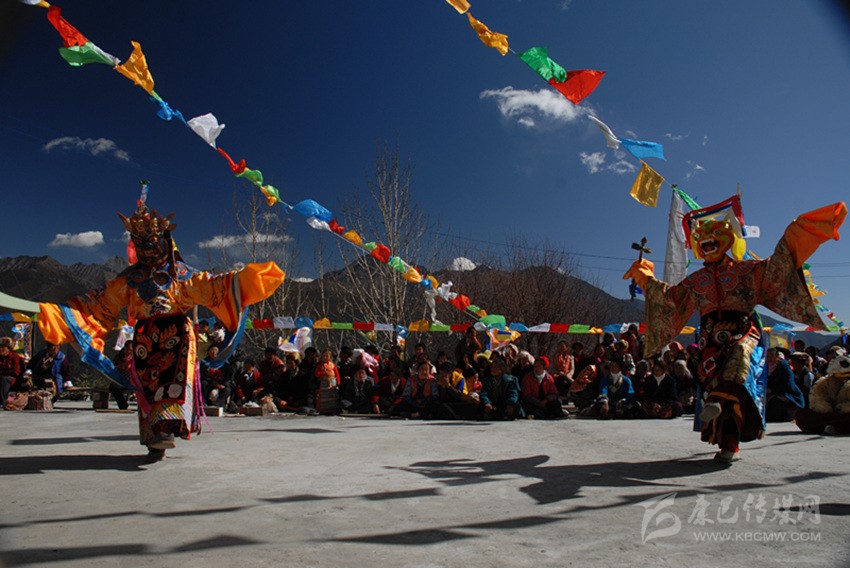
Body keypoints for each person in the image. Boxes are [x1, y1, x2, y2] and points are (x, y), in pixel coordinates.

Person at [36, 197, 284, 461]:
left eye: (152, 242)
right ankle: (154, 439)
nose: (148, 249)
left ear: (164, 240)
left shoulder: (180, 273)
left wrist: (241, 281)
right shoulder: (129, 279)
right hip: (145, 337)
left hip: (176, 337)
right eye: (141, 243)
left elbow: (212, 286)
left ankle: (165, 430)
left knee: (170, 383)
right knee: (147, 387)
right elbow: (101, 302)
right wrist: (65, 314)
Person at [625, 198, 846, 462]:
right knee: (716, 386)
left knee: (737, 367)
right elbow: (669, 299)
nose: (707, 242)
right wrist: (645, 277)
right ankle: (728, 445)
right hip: (709, 339)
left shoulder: (746, 271)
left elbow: (777, 267)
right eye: (702, 239)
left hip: (742, 331)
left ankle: (719, 408)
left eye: (713, 237)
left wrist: (796, 233)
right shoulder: (696, 281)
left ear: (727, 240)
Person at [764, 348, 805, 422]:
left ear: (777, 357)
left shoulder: (784, 367)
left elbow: (788, 384)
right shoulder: (766, 367)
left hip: (788, 393)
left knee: (775, 403)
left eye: (772, 356)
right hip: (770, 392)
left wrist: (772, 390)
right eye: (768, 356)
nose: (769, 359)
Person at [0, 337, 24, 406]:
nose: (0, 349)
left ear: (8, 348)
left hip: (12, 379)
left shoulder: (14, 357)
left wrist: (2, 372)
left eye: (3, 347)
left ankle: (2, 401)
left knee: (3, 379)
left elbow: (16, 372)